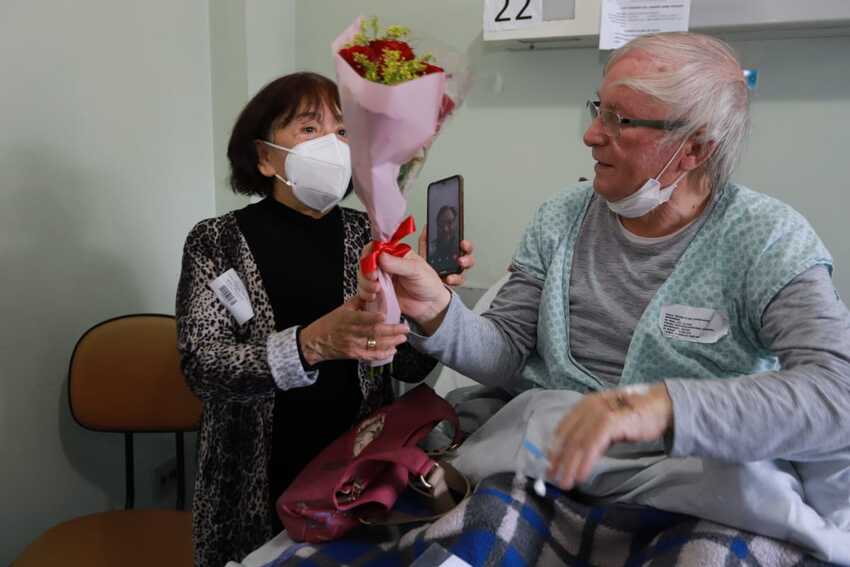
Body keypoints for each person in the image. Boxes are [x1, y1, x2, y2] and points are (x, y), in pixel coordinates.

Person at [358, 32, 850, 547]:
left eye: (621, 120)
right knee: (471, 546)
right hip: (552, 464)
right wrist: (437, 312)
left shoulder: (766, 239)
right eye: (599, 109)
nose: (592, 135)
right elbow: (504, 353)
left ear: (695, 148)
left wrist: (652, 408)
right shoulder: (561, 218)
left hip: (702, 484)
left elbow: (837, 392)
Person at [175, 72, 474, 567]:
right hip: (252, 480)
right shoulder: (215, 242)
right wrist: (308, 345)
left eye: (342, 131)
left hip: (356, 475)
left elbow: (404, 369)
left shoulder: (370, 232)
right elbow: (202, 368)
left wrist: (426, 312)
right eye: (310, 130)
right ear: (265, 157)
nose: (333, 145)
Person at [430, 205, 460, 269]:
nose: (445, 229)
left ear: (456, 224)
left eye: (450, 223)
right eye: (441, 224)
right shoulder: (431, 250)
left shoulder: (460, 248)